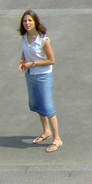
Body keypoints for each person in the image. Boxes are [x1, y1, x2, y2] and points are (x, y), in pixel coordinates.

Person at [18, 10, 62, 153]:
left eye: (30, 20)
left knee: (48, 107)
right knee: (38, 105)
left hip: (43, 76)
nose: (27, 23)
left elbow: (52, 60)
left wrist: (33, 64)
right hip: (31, 75)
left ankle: (57, 138)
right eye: (25, 21)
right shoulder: (24, 37)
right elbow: (25, 51)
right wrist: (22, 61)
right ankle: (46, 132)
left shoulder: (43, 39)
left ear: (35, 22)